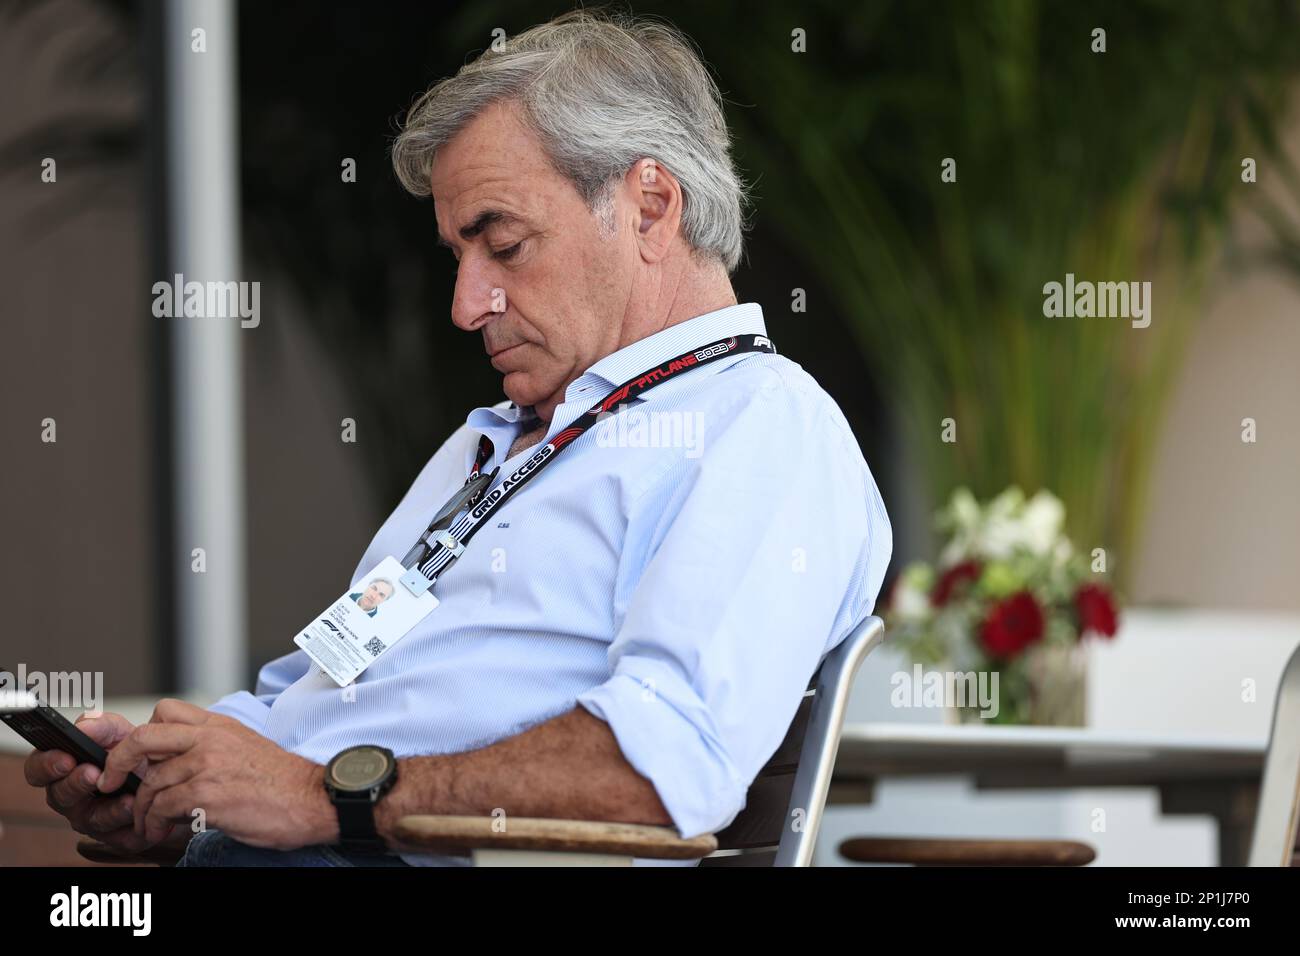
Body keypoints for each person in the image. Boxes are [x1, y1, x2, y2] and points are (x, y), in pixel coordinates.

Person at [26, 9, 892, 867]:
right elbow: (321, 691)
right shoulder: (492, 443)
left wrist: (320, 796)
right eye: (457, 256)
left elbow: (665, 763)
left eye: (504, 245)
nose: (465, 304)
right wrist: (182, 780)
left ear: (651, 207)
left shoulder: (760, 425)